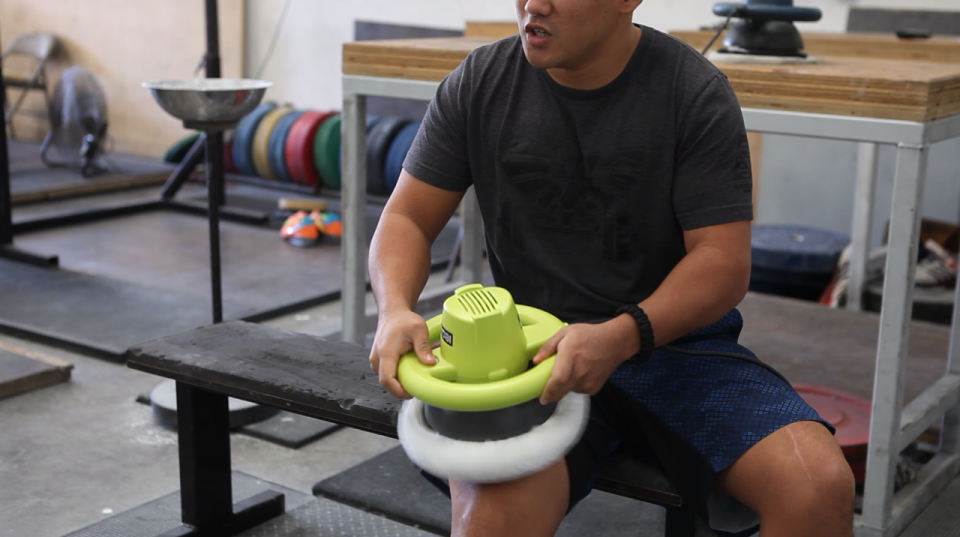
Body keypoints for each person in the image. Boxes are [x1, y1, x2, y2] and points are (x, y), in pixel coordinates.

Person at [367, 1, 855, 535]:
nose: (534, 4)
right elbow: (408, 217)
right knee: (491, 522)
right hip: (530, 356)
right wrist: (394, 309)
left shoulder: (692, 91)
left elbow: (722, 262)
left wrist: (621, 335)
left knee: (817, 487)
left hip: (676, 352)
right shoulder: (481, 81)